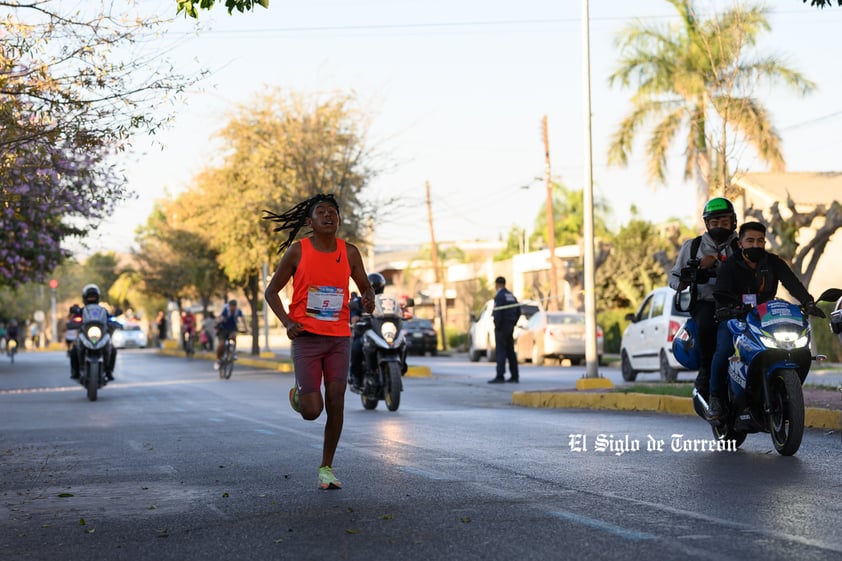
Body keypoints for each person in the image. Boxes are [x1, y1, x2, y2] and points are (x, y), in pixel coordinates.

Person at [263, 193, 375, 491]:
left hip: (339, 338)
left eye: (333, 213)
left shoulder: (349, 252)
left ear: (339, 220)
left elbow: (365, 286)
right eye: (321, 212)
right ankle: (299, 396)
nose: (328, 216)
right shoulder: (298, 252)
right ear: (310, 222)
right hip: (307, 338)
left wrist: (369, 298)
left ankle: (326, 467)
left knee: (336, 402)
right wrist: (287, 322)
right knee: (313, 411)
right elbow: (271, 292)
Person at [708, 221, 824, 420]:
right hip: (735, 318)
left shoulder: (773, 262)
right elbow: (720, 293)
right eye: (750, 240)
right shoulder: (730, 266)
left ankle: (778, 391)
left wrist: (808, 302)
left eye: (760, 241)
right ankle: (716, 399)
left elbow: (792, 283)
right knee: (724, 350)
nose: (755, 245)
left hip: (765, 319)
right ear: (740, 243)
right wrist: (732, 308)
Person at [668, 197, 740, 401]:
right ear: (707, 224)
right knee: (706, 332)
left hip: (737, 304)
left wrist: (717, 261)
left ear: (733, 222)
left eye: (724, 222)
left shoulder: (742, 245)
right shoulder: (693, 246)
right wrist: (687, 278)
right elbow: (674, 276)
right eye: (714, 223)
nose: (719, 226)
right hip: (705, 303)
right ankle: (705, 376)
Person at [70, 284, 117, 381]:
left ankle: (108, 371)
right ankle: (76, 371)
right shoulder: (81, 311)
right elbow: (74, 319)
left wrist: (114, 320)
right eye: (89, 297)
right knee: (74, 350)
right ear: (85, 298)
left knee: (112, 350)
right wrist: (74, 320)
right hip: (85, 335)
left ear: (97, 298)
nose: (91, 299)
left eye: (93, 297)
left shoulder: (103, 310)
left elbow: (111, 318)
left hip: (100, 335)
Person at [348, 273, 386, 391]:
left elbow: (395, 310)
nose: (374, 289)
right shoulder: (359, 301)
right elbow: (353, 310)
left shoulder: (385, 301)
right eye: (372, 287)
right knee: (357, 347)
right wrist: (354, 317)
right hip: (365, 332)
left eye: (377, 287)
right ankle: (356, 377)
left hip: (381, 334)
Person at [488, 276, 520, 383]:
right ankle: (514, 376)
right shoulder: (511, 295)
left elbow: (498, 312)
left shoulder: (499, 296)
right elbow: (518, 310)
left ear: (497, 284)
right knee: (510, 352)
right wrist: (513, 322)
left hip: (502, 327)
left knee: (501, 351)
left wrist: (497, 325)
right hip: (510, 326)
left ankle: (500, 375)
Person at [214, 300, 245, 369]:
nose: (232, 307)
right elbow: (221, 318)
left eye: (234, 306)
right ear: (229, 306)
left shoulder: (238, 311)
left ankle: (233, 353)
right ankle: (218, 360)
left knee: (234, 337)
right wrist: (218, 322)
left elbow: (242, 318)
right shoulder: (226, 310)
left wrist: (246, 327)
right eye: (231, 306)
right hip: (223, 329)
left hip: (232, 328)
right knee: (221, 345)